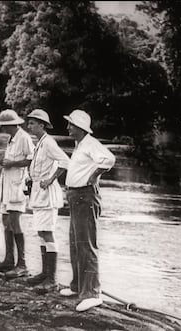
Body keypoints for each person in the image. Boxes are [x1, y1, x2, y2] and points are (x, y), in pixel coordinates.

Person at [60, 109, 116, 312]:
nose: (67, 127)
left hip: (86, 196)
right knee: (75, 242)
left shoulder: (91, 144)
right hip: (76, 196)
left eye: (71, 125)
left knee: (86, 244)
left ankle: (92, 293)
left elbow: (109, 160)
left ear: (81, 128)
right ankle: (77, 286)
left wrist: (93, 176)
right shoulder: (80, 145)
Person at [25, 109, 70, 293]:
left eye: (32, 123)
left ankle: (52, 279)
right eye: (29, 123)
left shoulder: (49, 143)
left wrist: (51, 179)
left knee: (48, 232)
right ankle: (45, 273)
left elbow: (65, 161)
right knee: (41, 232)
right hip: (38, 193)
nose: (29, 126)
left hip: (47, 194)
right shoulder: (39, 144)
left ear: (42, 125)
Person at [0, 109, 35, 278]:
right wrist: (2, 162)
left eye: (3, 126)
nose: (2, 129)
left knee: (15, 221)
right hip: (7, 185)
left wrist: (13, 163)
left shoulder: (24, 138)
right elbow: (11, 160)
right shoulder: (11, 139)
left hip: (17, 186)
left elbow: (32, 159)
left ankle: (22, 264)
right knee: (5, 220)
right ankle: (9, 259)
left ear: (11, 125)